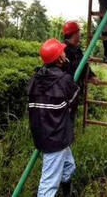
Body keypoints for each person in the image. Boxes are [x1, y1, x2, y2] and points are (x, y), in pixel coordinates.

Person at [28, 38, 80, 197]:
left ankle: (67, 193)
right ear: (59, 59)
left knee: (69, 167)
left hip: (42, 132)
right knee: (48, 184)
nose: (65, 53)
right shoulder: (65, 80)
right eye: (62, 52)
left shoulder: (35, 78)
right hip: (56, 136)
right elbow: (73, 103)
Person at [62, 20, 100, 89]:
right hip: (66, 88)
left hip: (69, 88)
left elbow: (83, 66)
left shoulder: (75, 49)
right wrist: (84, 60)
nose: (80, 35)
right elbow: (74, 67)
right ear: (75, 34)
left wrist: (91, 76)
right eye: (79, 32)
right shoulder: (64, 50)